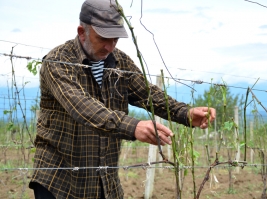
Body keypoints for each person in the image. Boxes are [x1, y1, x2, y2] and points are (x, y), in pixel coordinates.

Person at [29, 0, 216, 198]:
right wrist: (133, 127)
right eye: (103, 38)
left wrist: (184, 113)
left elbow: (149, 94)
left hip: (105, 183)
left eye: (115, 39)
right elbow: (81, 106)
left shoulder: (120, 61)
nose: (110, 47)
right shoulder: (59, 61)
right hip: (60, 182)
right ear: (82, 32)